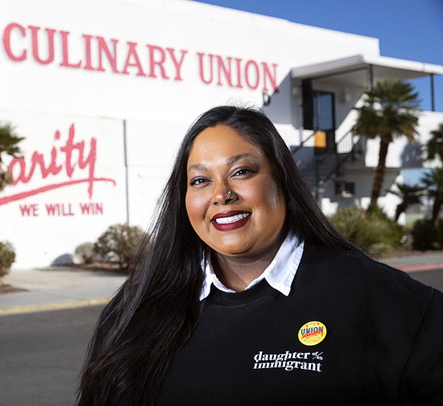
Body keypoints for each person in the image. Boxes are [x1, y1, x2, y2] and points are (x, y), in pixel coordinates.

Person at [77, 105, 443, 405]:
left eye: (241, 171)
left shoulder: (373, 295)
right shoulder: (138, 306)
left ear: (282, 181)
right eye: (200, 180)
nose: (221, 194)